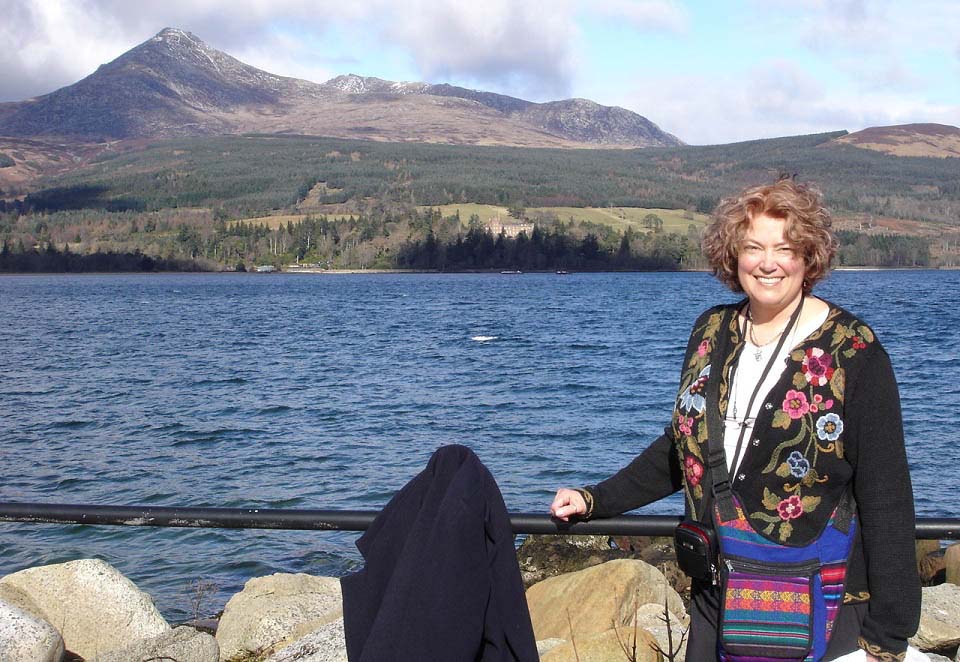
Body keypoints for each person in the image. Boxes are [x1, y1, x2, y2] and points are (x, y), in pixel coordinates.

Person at [550, 178, 920, 662]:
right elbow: (682, 447)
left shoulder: (853, 349)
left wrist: (888, 638)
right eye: (753, 247)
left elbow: (887, 492)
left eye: (785, 248)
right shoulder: (710, 330)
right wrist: (594, 498)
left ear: (809, 257)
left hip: (819, 604)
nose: (768, 263)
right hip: (714, 600)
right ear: (732, 254)